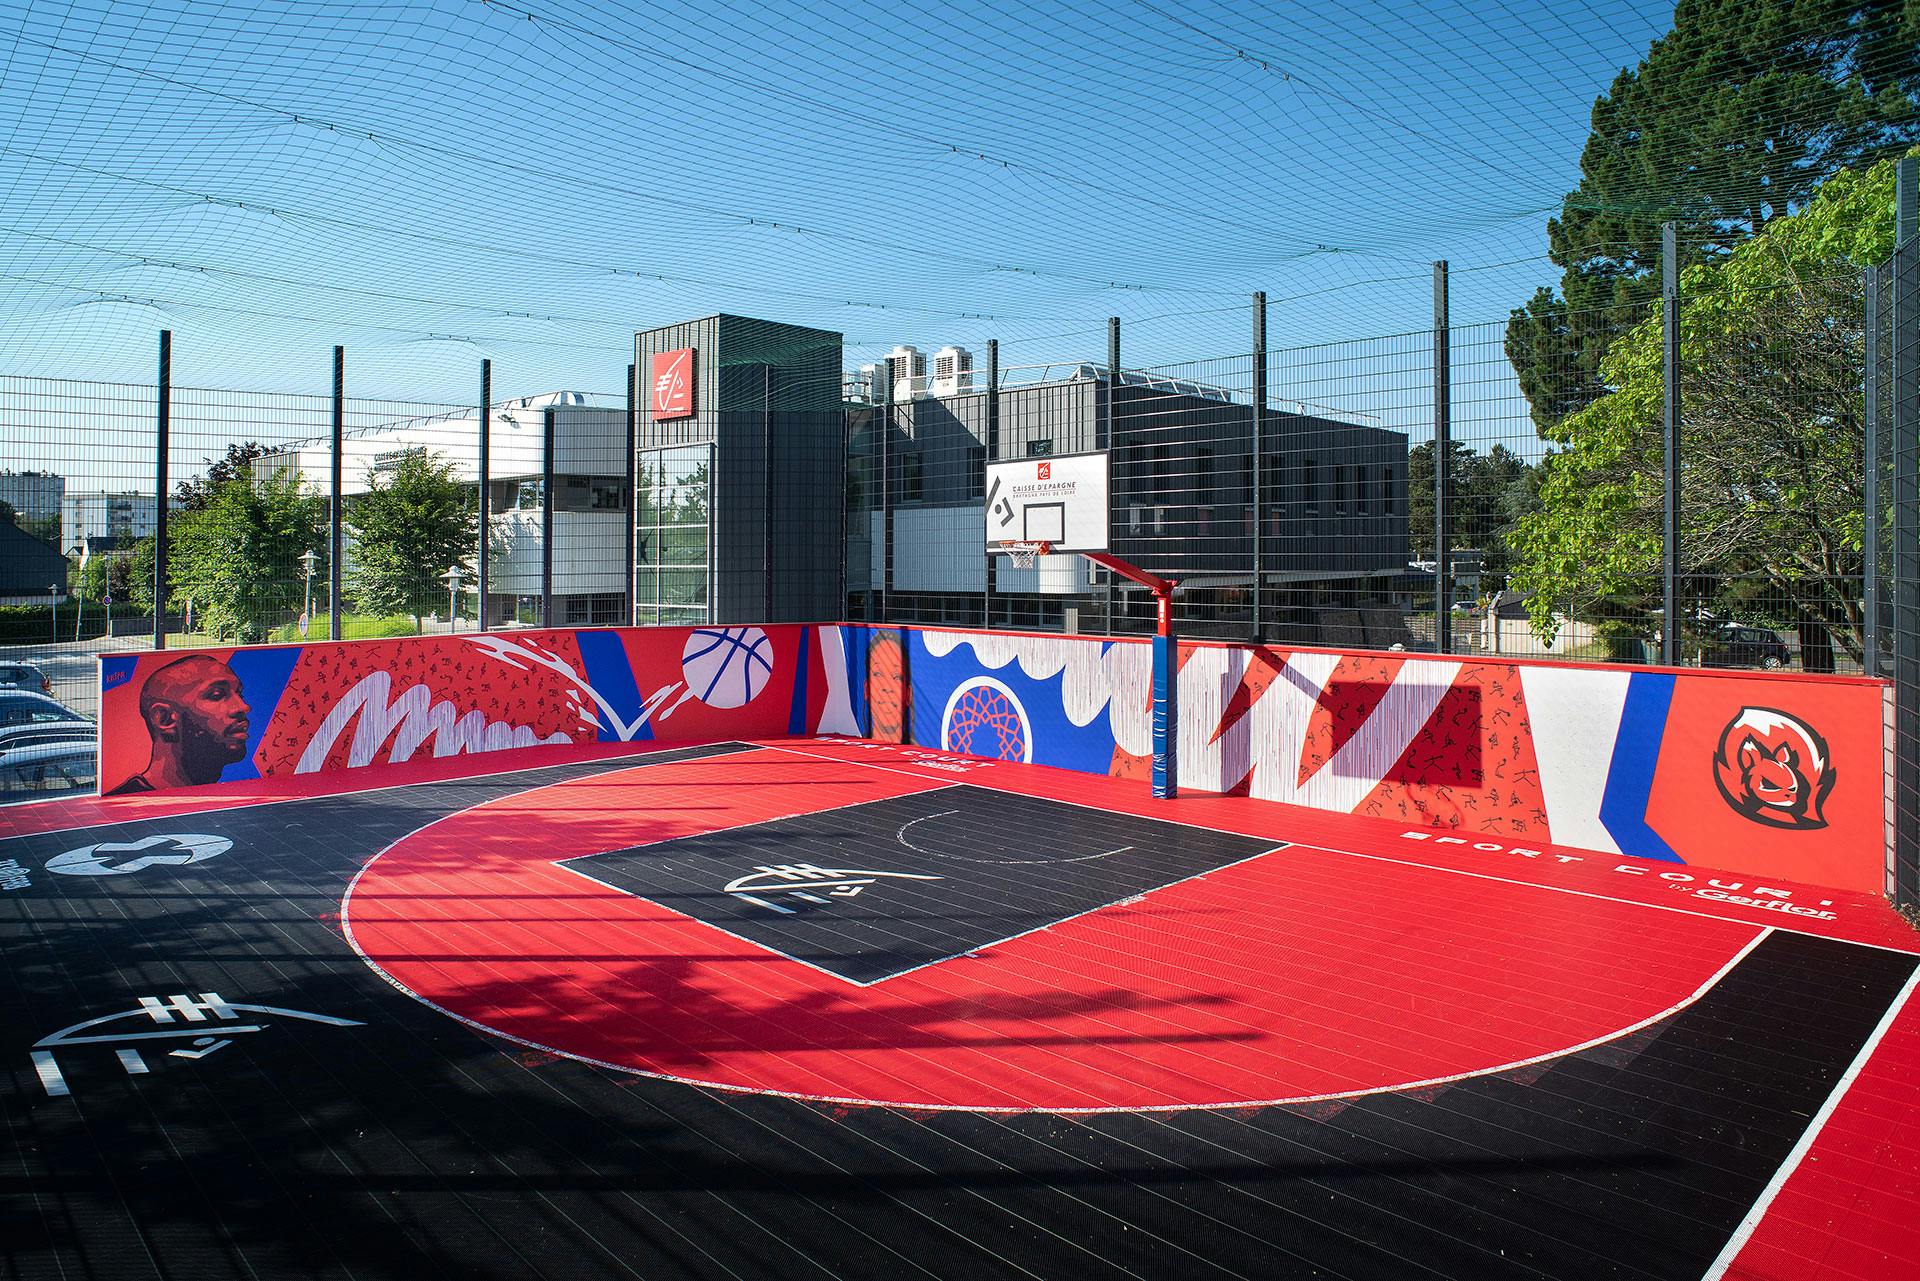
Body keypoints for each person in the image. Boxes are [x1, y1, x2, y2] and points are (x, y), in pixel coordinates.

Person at [108, 655, 251, 794]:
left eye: (240, 694)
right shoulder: (126, 804)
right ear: (164, 719)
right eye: (216, 695)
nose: (243, 707)